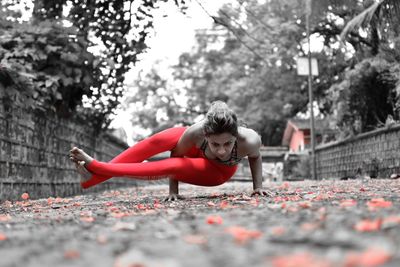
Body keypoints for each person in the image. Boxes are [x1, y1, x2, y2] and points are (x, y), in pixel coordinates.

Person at [69, 101, 271, 200]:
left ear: (235, 136)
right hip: (194, 148)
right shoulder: (195, 132)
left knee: (176, 165)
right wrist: (173, 191)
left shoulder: (250, 139)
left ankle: (95, 168)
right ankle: (92, 178)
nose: (221, 150)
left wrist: (257, 186)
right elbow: (177, 151)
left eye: (227, 144)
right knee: (161, 139)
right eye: (215, 144)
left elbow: (255, 158)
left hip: (216, 172)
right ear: (206, 136)